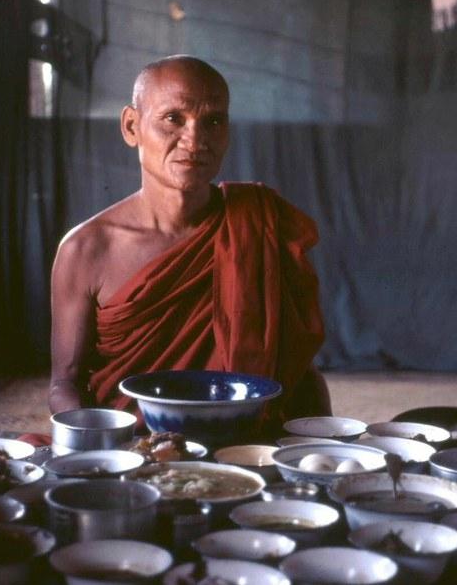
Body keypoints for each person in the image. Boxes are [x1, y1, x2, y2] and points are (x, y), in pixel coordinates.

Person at [48, 55, 330, 426]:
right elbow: (64, 383)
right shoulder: (86, 249)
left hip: (248, 444)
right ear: (132, 127)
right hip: (136, 448)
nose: (195, 140)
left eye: (213, 121)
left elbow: (298, 371)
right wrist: (105, 446)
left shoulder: (258, 222)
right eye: (173, 119)